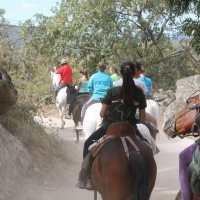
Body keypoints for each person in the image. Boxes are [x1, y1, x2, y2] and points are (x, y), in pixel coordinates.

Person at [76, 61, 147, 190]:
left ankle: (87, 178)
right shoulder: (139, 93)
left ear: (120, 73)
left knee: (88, 144)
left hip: (109, 127)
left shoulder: (112, 91)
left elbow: (102, 114)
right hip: (131, 128)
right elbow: (142, 119)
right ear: (134, 73)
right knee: (146, 145)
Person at [79, 61, 113, 129]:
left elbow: (89, 87)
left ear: (98, 67)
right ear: (105, 68)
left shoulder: (94, 76)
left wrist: (90, 91)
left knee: (84, 108)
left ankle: (82, 124)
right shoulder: (108, 77)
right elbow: (111, 88)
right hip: (106, 99)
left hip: (95, 98)